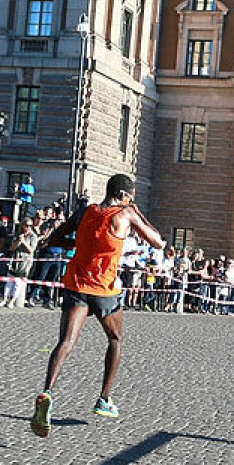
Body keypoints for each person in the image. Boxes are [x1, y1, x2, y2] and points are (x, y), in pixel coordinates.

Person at [29, 174, 165, 438]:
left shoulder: (84, 211)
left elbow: (53, 240)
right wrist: (139, 214)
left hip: (76, 284)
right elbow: (158, 242)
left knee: (66, 342)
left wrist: (81, 246)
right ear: (125, 195)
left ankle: (47, 391)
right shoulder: (125, 214)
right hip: (104, 289)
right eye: (131, 197)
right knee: (115, 338)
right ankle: (104, 399)